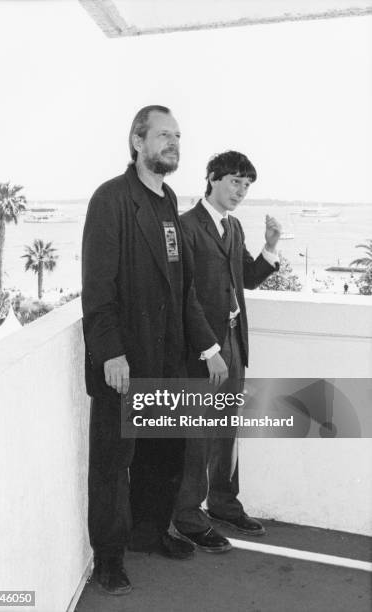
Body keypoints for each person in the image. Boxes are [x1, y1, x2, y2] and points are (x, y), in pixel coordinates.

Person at [81, 106, 219, 595]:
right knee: (113, 467)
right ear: (137, 140)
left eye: (178, 136)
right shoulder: (111, 199)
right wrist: (110, 353)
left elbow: (182, 290)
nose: (174, 143)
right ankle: (109, 559)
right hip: (125, 362)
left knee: (162, 456)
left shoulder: (168, 202)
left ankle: (152, 532)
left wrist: (208, 347)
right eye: (164, 135)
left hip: (168, 360)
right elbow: (97, 289)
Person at [173, 150, 281, 552]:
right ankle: (187, 515)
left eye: (247, 185)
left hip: (235, 341)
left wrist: (270, 248)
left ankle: (222, 503)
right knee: (196, 435)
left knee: (226, 431)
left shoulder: (233, 227)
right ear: (213, 179)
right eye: (235, 181)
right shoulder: (185, 226)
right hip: (204, 350)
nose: (241, 191)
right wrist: (208, 348)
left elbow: (246, 280)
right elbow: (185, 295)